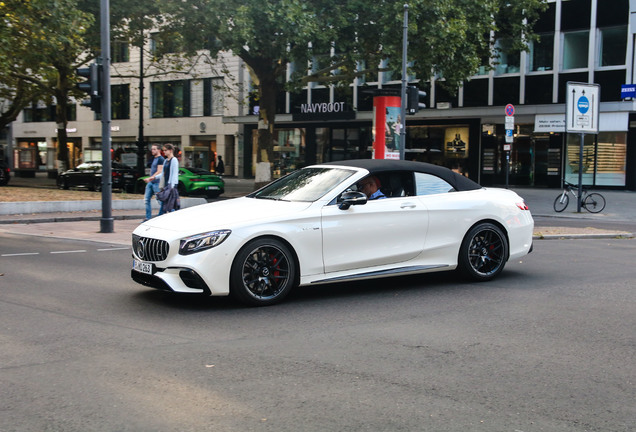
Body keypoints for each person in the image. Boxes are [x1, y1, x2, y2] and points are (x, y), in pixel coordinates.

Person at [154, 144, 180, 214]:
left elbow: (174, 173)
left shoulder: (174, 160)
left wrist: (172, 186)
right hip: (166, 186)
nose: (164, 152)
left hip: (171, 186)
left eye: (165, 150)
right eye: (163, 150)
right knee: (167, 204)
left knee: (169, 204)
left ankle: (160, 217)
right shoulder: (166, 161)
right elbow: (163, 173)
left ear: (170, 150)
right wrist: (154, 177)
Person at [142, 144, 165, 221]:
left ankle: (161, 216)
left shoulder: (161, 159)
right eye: (152, 149)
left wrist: (150, 178)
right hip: (151, 182)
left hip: (156, 182)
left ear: (159, 150)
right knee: (146, 200)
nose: (152, 151)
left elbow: (160, 171)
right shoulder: (153, 158)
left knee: (160, 200)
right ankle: (148, 218)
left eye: (154, 149)